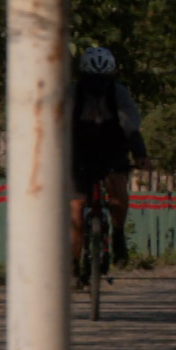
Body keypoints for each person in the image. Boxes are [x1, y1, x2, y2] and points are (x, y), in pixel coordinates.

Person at [68, 47, 150, 280]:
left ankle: (118, 234)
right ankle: (73, 262)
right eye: (93, 80)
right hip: (79, 150)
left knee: (118, 192)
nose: (98, 87)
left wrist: (140, 154)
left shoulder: (119, 94)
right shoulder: (73, 93)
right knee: (76, 209)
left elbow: (131, 128)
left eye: (102, 81)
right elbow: (59, 125)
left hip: (112, 148)